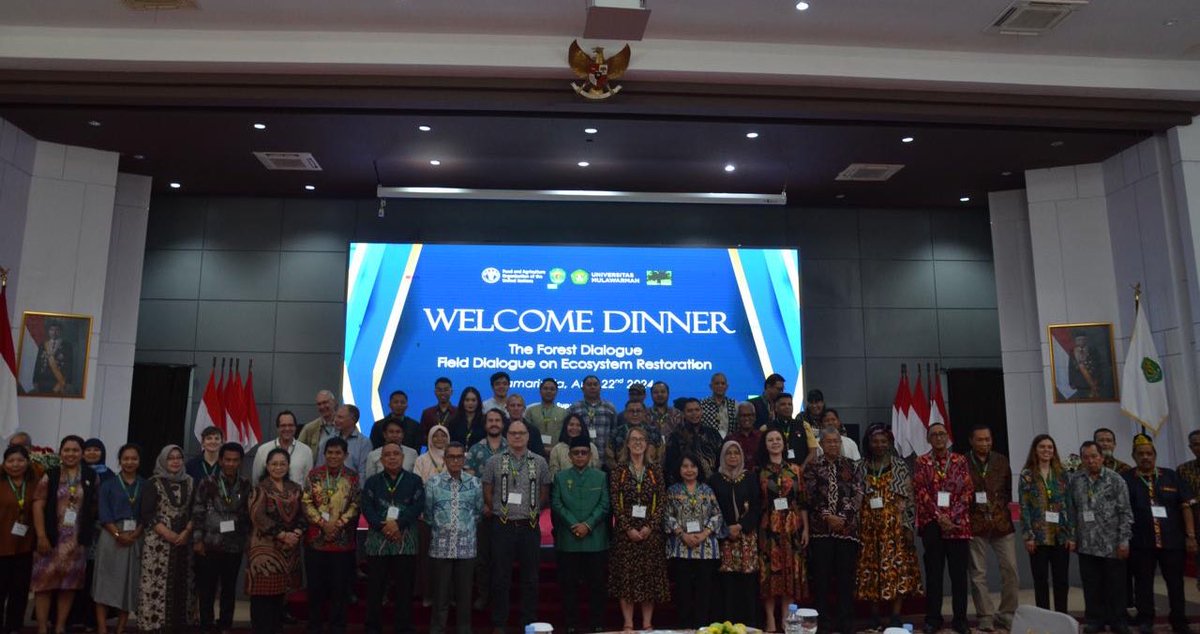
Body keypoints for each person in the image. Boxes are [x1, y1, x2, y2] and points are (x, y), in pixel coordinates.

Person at [1123, 433, 1195, 634]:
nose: (1145, 457)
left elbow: (1186, 506)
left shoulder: (1171, 475)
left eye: (1149, 453)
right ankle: (1146, 619)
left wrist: (1190, 536)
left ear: (1155, 456)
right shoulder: (1126, 479)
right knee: (1143, 583)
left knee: (1175, 583)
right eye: (1140, 454)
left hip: (1172, 541)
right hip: (1140, 542)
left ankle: (1179, 620)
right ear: (1134, 456)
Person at [482, 420, 551, 631]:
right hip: (502, 525)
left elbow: (545, 492)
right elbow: (487, 489)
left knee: (530, 578)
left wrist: (532, 510)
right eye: (513, 433)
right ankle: (499, 623)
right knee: (500, 577)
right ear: (507, 436)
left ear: (528, 436)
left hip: (529, 526)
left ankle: (527, 622)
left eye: (521, 433)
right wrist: (496, 508)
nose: (517, 437)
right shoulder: (494, 461)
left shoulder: (539, 461)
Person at [855, 423, 922, 630]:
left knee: (898, 570)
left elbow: (909, 499)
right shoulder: (860, 466)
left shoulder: (899, 465)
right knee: (871, 570)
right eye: (875, 441)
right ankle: (874, 614)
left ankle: (895, 615)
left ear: (889, 443)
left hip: (894, 528)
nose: (879, 445)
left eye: (883, 441)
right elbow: (855, 498)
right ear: (868, 443)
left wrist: (909, 526)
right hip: (868, 529)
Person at [31, 435, 98, 634]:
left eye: (75, 450)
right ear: (61, 452)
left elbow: (94, 505)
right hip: (50, 539)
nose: (71, 454)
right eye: (67, 450)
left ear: (82, 453)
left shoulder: (90, 475)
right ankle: (42, 628)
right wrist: (41, 535)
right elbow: (37, 504)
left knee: (69, 586)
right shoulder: (49, 475)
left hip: (76, 542)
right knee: (44, 585)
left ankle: (60, 626)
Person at [607, 427, 670, 631]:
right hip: (626, 534)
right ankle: (627, 623)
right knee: (627, 579)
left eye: (641, 439)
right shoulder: (619, 470)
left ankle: (647, 623)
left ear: (647, 443)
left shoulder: (655, 470)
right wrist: (627, 528)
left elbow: (661, 500)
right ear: (627, 443)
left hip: (650, 534)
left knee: (648, 578)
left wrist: (650, 527)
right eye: (633, 439)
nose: (637, 443)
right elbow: (615, 502)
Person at [913, 422, 973, 634]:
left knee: (958, 576)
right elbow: (921, 492)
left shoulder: (960, 460)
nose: (939, 438)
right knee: (934, 575)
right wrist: (940, 517)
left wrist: (951, 517)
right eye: (934, 435)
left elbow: (967, 491)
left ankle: (960, 620)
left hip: (958, 526)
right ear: (929, 439)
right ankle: (933, 619)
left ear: (947, 437)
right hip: (933, 526)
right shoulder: (922, 462)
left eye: (942, 434)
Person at [1067, 441, 1132, 634]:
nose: (1090, 461)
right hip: (1086, 544)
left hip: (1112, 544)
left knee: (1116, 586)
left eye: (1094, 456)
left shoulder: (1116, 479)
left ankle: (1118, 620)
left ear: (1102, 458)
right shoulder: (1076, 480)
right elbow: (1071, 512)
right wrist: (1072, 537)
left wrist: (1124, 540)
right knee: (1091, 585)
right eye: (1086, 457)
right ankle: (1095, 620)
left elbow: (1125, 512)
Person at [805, 426, 864, 634]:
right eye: (829, 441)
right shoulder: (813, 466)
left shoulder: (852, 466)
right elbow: (810, 495)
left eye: (836, 441)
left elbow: (858, 492)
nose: (833, 445)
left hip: (846, 531)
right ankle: (823, 623)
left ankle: (845, 622)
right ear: (821, 443)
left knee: (845, 579)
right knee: (821, 579)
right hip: (821, 531)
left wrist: (842, 518)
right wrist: (826, 516)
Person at [551, 435, 610, 634]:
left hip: (595, 541)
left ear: (590, 455)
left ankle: (597, 624)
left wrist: (588, 525)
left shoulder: (600, 476)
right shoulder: (560, 477)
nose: (580, 456)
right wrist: (574, 524)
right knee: (568, 587)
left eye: (584, 453)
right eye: (576, 453)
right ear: (569, 456)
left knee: (597, 586)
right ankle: (571, 624)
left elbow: (604, 505)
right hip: (568, 540)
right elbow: (557, 504)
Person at [362, 442, 423, 634]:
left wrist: (398, 524)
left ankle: (403, 626)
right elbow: (367, 507)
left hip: (405, 540)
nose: (392, 457)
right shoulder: (372, 481)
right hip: (377, 541)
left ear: (403, 457)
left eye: (396, 454)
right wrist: (383, 526)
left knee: (404, 588)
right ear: (381, 460)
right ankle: (373, 626)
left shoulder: (414, 480)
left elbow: (418, 505)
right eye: (387, 455)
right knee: (375, 587)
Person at [302, 437, 361, 634]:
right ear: (324, 454)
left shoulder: (352, 477)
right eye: (330, 452)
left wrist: (339, 524)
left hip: (343, 542)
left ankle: (337, 626)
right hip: (316, 541)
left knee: (340, 589)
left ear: (345, 455)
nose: (334, 456)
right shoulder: (314, 475)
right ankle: (315, 625)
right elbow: (306, 502)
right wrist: (322, 524)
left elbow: (355, 504)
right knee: (315, 588)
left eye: (338, 453)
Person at [192, 442, 251, 632]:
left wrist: (247, 539)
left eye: (235, 460)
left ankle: (225, 624)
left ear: (240, 462)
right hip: (210, 543)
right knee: (207, 589)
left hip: (234, 545)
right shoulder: (207, 482)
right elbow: (198, 511)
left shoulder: (245, 484)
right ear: (220, 460)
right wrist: (198, 540)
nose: (231, 464)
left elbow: (247, 514)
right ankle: (206, 625)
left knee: (229, 588)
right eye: (227, 460)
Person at [425, 442, 483, 634]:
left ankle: (464, 630)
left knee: (464, 596)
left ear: (464, 459)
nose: (456, 460)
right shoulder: (433, 483)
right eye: (452, 456)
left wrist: (463, 528)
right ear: (445, 459)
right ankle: (437, 630)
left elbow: (479, 512)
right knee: (440, 596)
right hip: (440, 546)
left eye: (459, 457)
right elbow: (428, 514)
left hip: (466, 547)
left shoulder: (475, 483)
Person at [246, 448, 306, 634]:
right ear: (267, 466)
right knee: (263, 601)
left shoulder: (295, 488)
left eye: (282, 463)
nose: (278, 467)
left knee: (281, 599)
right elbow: (258, 517)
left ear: (288, 466)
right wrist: (282, 535)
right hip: (265, 553)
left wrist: (296, 533)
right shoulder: (259, 488)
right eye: (274, 464)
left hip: (289, 551)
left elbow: (304, 515)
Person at [137, 445, 196, 633]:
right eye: (171, 458)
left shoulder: (191, 482)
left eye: (179, 457)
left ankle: (181, 624)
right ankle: (153, 626)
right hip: (158, 544)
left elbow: (197, 510)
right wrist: (167, 533)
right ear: (163, 460)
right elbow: (147, 513)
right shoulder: (152, 482)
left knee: (184, 583)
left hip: (184, 541)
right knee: (155, 583)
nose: (176, 461)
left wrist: (186, 532)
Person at [965, 424, 1019, 631]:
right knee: (978, 573)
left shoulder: (1001, 460)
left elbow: (1007, 491)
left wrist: (998, 509)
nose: (985, 443)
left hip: (1001, 524)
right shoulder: (963, 462)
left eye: (988, 439)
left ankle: (1007, 613)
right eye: (980, 439)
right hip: (975, 524)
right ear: (971, 441)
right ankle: (985, 615)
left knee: (1011, 569)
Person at [758, 428, 809, 633]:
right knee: (769, 575)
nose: (775, 442)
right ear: (765, 444)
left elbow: (803, 501)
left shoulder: (795, 470)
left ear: (784, 443)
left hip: (792, 527)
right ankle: (770, 619)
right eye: (770, 440)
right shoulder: (758, 471)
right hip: (768, 528)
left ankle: (787, 619)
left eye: (778, 439)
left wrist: (806, 528)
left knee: (790, 574)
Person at [665, 453, 723, 629]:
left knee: (703, 593)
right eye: (685, 466)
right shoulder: (672, 491)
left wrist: (704, 534)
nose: (689, 470)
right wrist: (683, 535)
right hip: (681, 548)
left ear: (699, 469)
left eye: (692, 466)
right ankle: (684, 628)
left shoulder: (707, 490)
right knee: (683, 593)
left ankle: (701, 628)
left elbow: (717, 515)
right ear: (679, 469)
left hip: (705, 549)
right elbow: (667, 516)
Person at [1017, 434, 1072, 613]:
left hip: (1060, 535)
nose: (1046, 450)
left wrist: (1071, 534)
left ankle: (1062, 616)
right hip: (1038, 537)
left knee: (1061, 580)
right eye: (1042, 447)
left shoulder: (1062, 473)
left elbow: (1069, 504)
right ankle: (1044, 616)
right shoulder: (1027, 475)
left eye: (1050, 447)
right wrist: (1028, 536)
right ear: (1035, 450)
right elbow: (1024, 506)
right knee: (1041, 581)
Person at [94, 444, 144, 634]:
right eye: (126, 458)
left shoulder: (145, 484)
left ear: (139, 461)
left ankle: (121, 628)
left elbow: (146, 514)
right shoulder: (108, 484)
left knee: (128, 584)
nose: (130, 462)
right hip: (110, 537)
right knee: (104, 582)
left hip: (135, 537)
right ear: (119, 461)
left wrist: (137, 533)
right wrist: (117, 534)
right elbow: (103, 512)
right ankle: (102, 628)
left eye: (134, 459)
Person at [709, 440, 760, 627]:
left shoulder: (750, 477)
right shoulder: (714, 480)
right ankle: (727, 625)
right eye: (728, 453)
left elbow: (756, 506)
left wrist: (741, 526)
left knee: (747, 583)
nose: (732, 456)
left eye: (736, 453)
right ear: (722, 456)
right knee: (727, 584)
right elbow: (711, 509)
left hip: (746, 537)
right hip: (724, 538)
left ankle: (749, 625)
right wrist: (726, 528)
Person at [465, 409, 507, 611]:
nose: (494, 423)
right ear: (485, 424)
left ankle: (500, 598)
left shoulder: (511, 448)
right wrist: (483, 505)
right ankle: (483, 595)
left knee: (502, 559)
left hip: (507, 515)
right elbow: (470, 482)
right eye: (490, 420)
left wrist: (497, 506)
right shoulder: (475, 450)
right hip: (481, 513)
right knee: (482, 558)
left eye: (497, 420)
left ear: (503, 423)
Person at [73, 438, 112, 631]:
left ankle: (91, 618)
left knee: (93, 576)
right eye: (88, 449)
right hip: (73, 532)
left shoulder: (110, 475)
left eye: (97, 449)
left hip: (101, 534)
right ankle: (71, 617)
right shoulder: (73, 473)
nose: (92, 453)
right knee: (74, 574)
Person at [1, 445, 39, 634]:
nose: (15, 464)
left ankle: (14, 626)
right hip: (1, 545)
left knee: (19, 590)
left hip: (25, 546)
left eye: (20, 460)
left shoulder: (35, 482)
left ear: (27, 462)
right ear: (4, 463)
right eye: (10, 461)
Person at [664, 398, 723, 486]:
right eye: (690, 411)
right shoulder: (676, 436)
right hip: (684, 485)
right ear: (683, 414)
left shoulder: (713, 434)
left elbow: (721, 460)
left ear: (701, 412)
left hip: (713, 485)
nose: (694, 413)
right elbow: (671, 466)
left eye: (697, 410)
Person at [252, 410, 314, 483]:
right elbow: (256, 480)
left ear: (295, 428)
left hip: (297, 493)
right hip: (269, 494)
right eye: (283, 425)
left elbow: (308, 481)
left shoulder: (306, 451)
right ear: (277, 428)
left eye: (290, 425)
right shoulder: (263, 450)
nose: (287, 429)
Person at [569, 375, 619, 462]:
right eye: (589, 385)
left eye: (595, 384)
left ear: (600, 388)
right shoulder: (574, 408)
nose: (592, 387)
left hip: (604, 458)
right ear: (583, 388)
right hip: (580, 458)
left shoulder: (609, 407)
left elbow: (614, 431)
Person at [316, 404, 373, 480]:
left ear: (353, 420)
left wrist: (358, 490)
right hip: (326, 487)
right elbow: (319, 467)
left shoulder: (364, 443)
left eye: (340, 417)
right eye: (336, 416)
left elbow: (363, 472)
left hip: (352, 487)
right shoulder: (327, 440)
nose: (335, 420)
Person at [606, 401, 663, 471]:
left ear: (644, 413)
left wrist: (648, 472)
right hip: (622, 475)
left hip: (650, 475)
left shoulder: (654, 432)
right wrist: (621, 472)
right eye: (631, 411)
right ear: (625, 414)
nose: (635, 414)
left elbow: (661, 457)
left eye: (638, 411)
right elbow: (609, 458)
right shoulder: (615, 433)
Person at [1178, 429, 1200, 588]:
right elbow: (1181, 501)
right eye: (1196, 444)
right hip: (1195, 526)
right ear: (1190, 447)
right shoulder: (1183, 470)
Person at [549, 413, 599, 480]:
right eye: (571, 424)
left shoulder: (592, 447)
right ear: (565, 427)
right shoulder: (557, 449)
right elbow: (554, 476)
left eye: (578, 425)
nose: (574, 428)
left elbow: (596, 473)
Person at [32, 320, 74, 395]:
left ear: (60, 331)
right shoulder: (43, 345)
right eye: (51, 330)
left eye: (57, 330)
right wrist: (35, 380)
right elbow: (38, 364)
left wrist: (69, 382)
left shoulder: (67, 346)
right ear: (48, 331)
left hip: (59, 382)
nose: (54, 332)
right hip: (43, 382)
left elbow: (70, 365)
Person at [768, 393, 811, 466]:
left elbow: (813, 451)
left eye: (790, 404)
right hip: (776, 470)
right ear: (775, 408)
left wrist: (801, 469)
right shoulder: (767, 428)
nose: (787, 407)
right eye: (783, 404)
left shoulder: (804, 425)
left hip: (801, 470)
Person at [524, 378, 567, 448]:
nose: (549, 391)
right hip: (534, 450)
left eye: (552, 389)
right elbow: (526, 432)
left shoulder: (563, 412)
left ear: (556, 392)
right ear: (540, 391)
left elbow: (565, 435)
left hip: (556, 451)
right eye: (545, 388)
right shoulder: (530, 410)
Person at [299, 389, 339, 456]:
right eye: (319, 404)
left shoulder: (345, 425)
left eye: (325, 402)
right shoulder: (310, 428)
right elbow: (298, 450)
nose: (322, 406)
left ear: (334, 402)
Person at [700, 372, 739, 438]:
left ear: (727, 386)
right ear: (711, 386)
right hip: (708, 444)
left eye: (723, 383)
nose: (720, 386)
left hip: (729, 444)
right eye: (717, 383)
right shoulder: (702, 404)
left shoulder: (734, 404)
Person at [726, 402, 762, 471]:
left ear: (754, 417)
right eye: (743, 416)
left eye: (749, 415)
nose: (746, 418)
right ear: (737, 418)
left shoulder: (762, 437)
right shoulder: (730, 439)